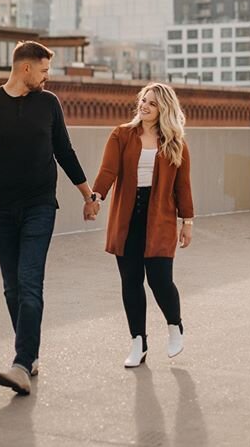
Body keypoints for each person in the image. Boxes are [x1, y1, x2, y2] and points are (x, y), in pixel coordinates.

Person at [0, 40, 99, 396]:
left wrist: (88, 195)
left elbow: (64, 151)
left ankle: (22, 363)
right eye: (43, 70)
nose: (47, 77)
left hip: (40, 207)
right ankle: (30, 354)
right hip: (2, 210)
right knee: (12, 288)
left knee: (28, 283)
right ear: (25, 68)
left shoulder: (49, 104)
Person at [91, 82, 194, 368]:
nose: (144, 106)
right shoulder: (122, 134)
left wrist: (187, 222)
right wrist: (96, 195)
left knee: (160, 280)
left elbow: (183, 187)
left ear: (164, 109)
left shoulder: (176, 143)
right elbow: (108, 170)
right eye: (143, 100)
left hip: (160, 218)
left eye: (151, 103)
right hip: (127, 217)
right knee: (131, 282)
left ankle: (175, 326)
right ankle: (138, 341)